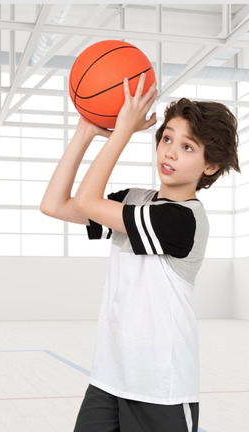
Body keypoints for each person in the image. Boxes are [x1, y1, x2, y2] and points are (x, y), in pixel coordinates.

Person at [40, 74, 240, 432]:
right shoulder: (136, 201)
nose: (170, 152)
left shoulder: (183, 220)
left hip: (160, 387)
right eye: (166, 138)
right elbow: (55, 205)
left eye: (188, 147)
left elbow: (87, 200)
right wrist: (85, 133)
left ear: (210, 167)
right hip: (109, 376)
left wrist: (122, 131)